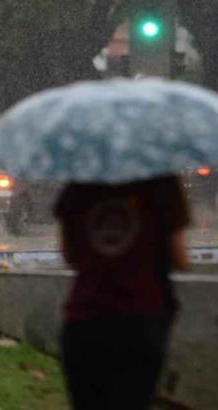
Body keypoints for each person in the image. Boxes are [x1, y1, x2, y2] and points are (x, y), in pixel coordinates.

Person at [53, 175, 190, 410]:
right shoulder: (162, 182)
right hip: (141, 321)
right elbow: (180, 259)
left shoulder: (79, 185)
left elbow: (69, 256)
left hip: (84, 321)